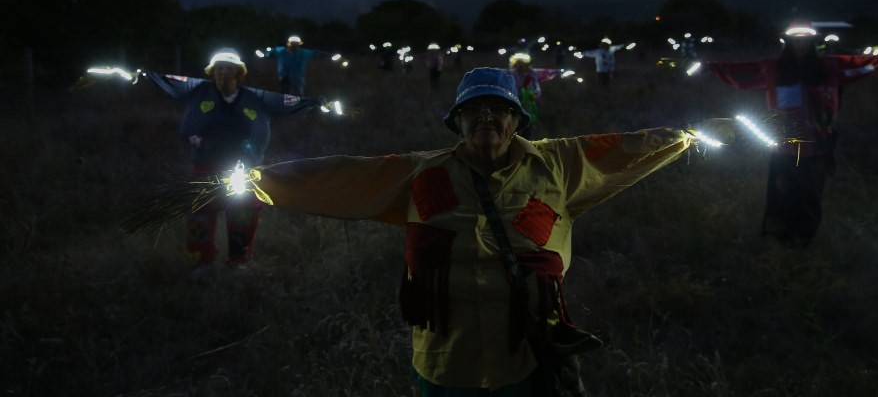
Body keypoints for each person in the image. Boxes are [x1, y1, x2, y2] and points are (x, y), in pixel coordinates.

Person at [234, 67, 732, 394]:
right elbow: (344, 173)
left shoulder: (559, 163)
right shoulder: (421, 174)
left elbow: (628, 147)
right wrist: (255, 180)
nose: (487, 118)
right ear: (457, 122)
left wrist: (688, 136)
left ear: (518, 119)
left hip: (529, 354)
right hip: (447, 361)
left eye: (499, 109)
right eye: (474, 110)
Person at [707, 21, 878, 247]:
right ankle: (782, 239)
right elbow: (740, 73)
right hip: (784, 146)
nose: (800, 46)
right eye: (795, 42)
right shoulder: (773, 69)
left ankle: (805, 240)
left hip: (819, 144)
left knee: (811, 193)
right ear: (787, 43)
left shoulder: (829, 67)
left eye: (805, 42)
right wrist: (708, 66)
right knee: (783, 190)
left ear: (812, 44)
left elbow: (861, 64)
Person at [144, 48, 320, 277]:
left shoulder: (256, 98)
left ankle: (238, 261)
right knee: (200, 212)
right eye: (218, 69)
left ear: (238, 73)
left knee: (243, 212)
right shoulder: (197, 91)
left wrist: (315, 103)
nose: (223, 73)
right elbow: (168, 81)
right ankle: (202, 261)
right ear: (212, 72)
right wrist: (145, 75)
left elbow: (288, 102)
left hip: (243, 169)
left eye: (229, 68)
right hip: (206, 166)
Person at [508, 52, 560, 139]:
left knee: (528, 127)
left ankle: (526, 146)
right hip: (515, 104)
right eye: (518, 64)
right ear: (514, 64)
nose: (520, 66)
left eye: (522, 64)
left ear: (527, 64)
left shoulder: (532, 74)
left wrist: (536, 94)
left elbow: (537, 88)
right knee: (514, 126)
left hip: (529, 105)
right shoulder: (510, 74)